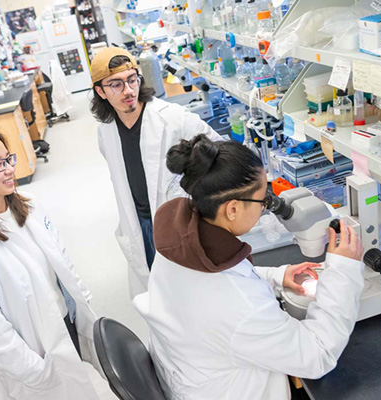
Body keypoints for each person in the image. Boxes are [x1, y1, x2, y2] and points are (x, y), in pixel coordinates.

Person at [133, 135, 365, 400]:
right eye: (262, 200)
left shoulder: (176, 241)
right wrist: (344, 270)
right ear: (232, 209)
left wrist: (276, 276)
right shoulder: (240, 308)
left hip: (189, 373)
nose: (267, 206)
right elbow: (318, 355)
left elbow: (221, 282)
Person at [0, 127, 102, 400]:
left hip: (67, 324)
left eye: (8, 159)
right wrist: (36, 372)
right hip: (34, 357)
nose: (9, 169)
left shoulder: (30, 206)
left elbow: (63, 265)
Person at [90, 46, 222, 299]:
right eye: (116, 85)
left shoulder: (173, 118)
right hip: (140, 223)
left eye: (132, 80)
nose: (128, 91)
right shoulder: (105, 131)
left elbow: (221, 152)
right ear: (100, 91)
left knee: (194, 294)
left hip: (179, 219)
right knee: (159, 295)